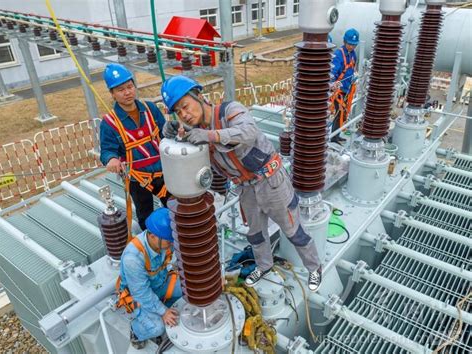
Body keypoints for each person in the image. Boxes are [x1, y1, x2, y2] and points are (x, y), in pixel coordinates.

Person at [160, 76, 323, 292]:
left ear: (199, 96)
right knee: (255, 234)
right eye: (178, 112)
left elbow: (248, 132)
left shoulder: (229, 111)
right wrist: (171, 134)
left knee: (293, 230)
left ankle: (314, 267)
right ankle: (264, 265)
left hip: (271, 181)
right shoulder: (197, 134)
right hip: (246, 189)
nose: (184, 114)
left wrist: (209, 135)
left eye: (185, 106)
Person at [100, 63, 170, 231]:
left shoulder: (150, 109)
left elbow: (165, 133)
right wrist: (111, 159)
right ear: (112, 94)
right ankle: (154, 245)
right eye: (120, 89)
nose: (127, 92)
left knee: (175, 207)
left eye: (130, 87)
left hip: (163, 172)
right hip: (137, 179)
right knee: (145, 215)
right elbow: (107, 150)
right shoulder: (110, 123)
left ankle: (175, 236)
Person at [117, 208, 181, 349]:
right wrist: (163, 312)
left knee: (188, 286)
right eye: (169, 241)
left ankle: (162, 305)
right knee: (157, 328)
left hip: (160, 283)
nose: (171, 244)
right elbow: (141, 294)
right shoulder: (133, 258)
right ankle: (136, 331)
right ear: (152, 236)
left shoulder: (164, 241)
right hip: (140, 296)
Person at [330, 28, 359, 143]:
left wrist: (354, 76)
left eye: (354, 45)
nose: (351, 47)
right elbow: (333, 72)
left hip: (347, 89)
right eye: (350, 44)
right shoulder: (339, 54)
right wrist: (333, 83)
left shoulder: (352, 54)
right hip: (338, 91)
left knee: (344, 113)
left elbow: (352, 68)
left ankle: (337, 135)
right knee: (338, 113)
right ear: (344, 42)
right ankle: (333, 138)